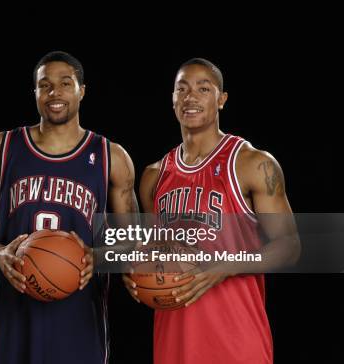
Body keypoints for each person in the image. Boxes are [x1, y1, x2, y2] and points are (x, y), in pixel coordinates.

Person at [0, 51, 138, 364]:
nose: (55, 93)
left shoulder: (112, 157)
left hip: (79, 319)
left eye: (65, 84)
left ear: (82, 90)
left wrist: (98, 257)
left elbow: (134, 240)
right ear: (35, 93)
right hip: (12, 314)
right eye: (45, 85)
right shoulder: (4, 146)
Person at [123, 58, 300, 363]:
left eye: (203, 88)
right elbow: (155, 249)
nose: (191, 97)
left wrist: (225, 266)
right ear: (173, 99)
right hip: (173, 345)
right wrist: (136, 268)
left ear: (221, 99)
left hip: (237, 342)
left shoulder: (251, 163)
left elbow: (290, 246)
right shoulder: (154, 175)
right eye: (182, 89)